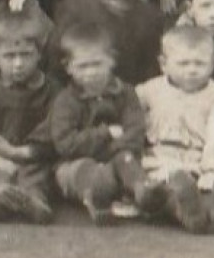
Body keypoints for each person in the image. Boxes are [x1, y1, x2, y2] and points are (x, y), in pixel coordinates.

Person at [134, 25, 214, 235]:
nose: (192, 69)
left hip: (199, 162)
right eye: (183, 63)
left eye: (199, 63)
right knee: (165, 187)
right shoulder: (148, 92)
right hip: (162, 160)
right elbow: (131, 119)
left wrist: (211, 169)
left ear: (212, 64)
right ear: (164, 64)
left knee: (209, 186)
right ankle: (187, 213)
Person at [46, 23, 146, 224]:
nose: (90, 72)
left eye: (97, 64)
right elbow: (65, 144)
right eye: (82, 66)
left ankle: (144, 194)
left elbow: (135, 132)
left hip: (119, 160)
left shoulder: (126, 93)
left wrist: (114, 153)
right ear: (68, 68)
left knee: (127, 160)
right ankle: (97, 196)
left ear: (111, 61)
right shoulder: (66, 101)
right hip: (77, 162)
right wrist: (105, 134)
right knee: (81, 171)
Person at [0, 10, 58, 224]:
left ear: (39, 55)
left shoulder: (52, 90)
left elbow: (54, 132)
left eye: (25, 55)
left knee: (35, 177)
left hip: (33, 158)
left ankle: (35, 204)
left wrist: (22, 153)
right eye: (9, 56)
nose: (18, 64)